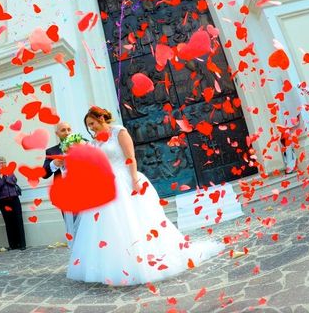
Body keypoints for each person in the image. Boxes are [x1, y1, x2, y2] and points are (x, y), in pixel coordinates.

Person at [67, 106, 223, 286]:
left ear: (101, 118)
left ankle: (144, 262)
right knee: (112, 227)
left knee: (137, 221)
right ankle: (117, 265)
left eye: (92, 123)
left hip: (125, 180)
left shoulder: (119, 132)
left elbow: (130, 157)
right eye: (89, 126)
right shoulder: (94, 142)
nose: (91, 128)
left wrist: (134, 179)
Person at [0, 156, 26, 251]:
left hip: (14, 199)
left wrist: (6, 175)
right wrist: (2, 175)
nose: (2, 164)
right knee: (9, 222)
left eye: (3, 162)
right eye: (0, 163)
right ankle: (13, 244)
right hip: (4, 200)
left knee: (18, 221)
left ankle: (22, 244)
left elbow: (13, 181)